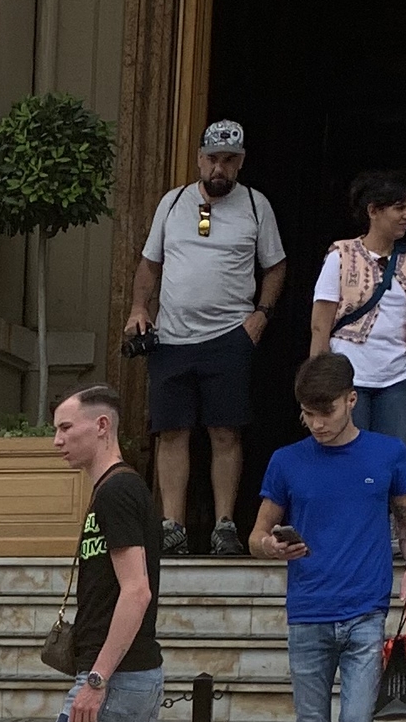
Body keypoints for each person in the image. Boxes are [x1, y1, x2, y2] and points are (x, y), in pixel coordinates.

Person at [251, 349, 406, 722]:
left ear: (351, 400)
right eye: (306, 414)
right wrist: (270, 545)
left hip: (365, 610)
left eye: (324, 412)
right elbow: (255, 535)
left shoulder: (387, 453)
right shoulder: (287, 461)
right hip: (308, 610)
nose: (315, 424)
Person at [122, 120, 285, 558]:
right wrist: (140, 309)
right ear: (199, 159)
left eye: (229, 160)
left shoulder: (255, 205)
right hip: (172, 336)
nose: (219, 168)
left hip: (229, 335)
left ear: (240, 162)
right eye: (212, 158)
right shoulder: (172, 202)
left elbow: (275, 266)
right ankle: (172, 524)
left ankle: (224, 524)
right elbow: (149, 264)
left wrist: (261, 317)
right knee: (171, 431)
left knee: (225, 432)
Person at [40, 382, 163, 722]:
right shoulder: (116, 489)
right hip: (131, 675)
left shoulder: (118, 491)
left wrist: (96, 680)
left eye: (66, 428)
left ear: (101, 426)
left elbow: (136, 591)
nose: (57, 440)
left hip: (115, 677)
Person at [308, 173, 406, 443]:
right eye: (399, 208)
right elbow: (320, 326)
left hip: (397, 379)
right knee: (347, 458)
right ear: (373, 210)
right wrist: (318, 389)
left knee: (391, 460)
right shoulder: (341, 255)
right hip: (349, 376)